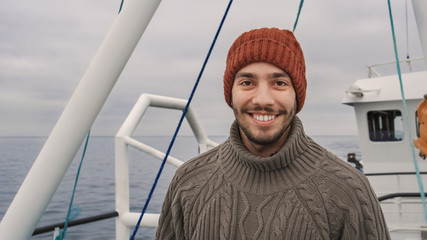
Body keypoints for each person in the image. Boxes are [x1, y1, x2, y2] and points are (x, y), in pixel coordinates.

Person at [156, 27, 390, 240]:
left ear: (297, 96)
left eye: (279, 83)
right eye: (247, 82)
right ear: (230, 93)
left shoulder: (348, 192)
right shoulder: (188, 181)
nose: (263, 100)